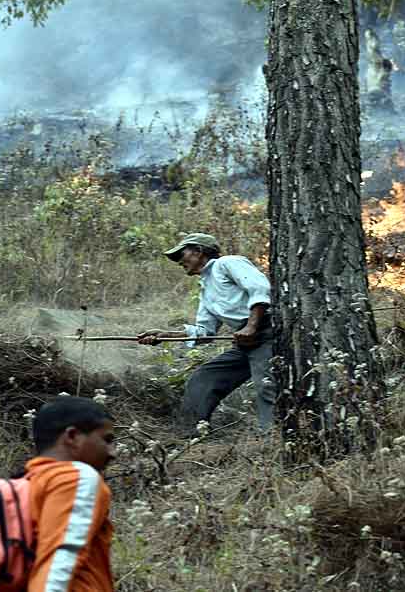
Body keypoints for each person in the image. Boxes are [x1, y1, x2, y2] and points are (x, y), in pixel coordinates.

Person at [138, 233, 276, 434]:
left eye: (181, 255)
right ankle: (191, 436)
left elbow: (260, 288)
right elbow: (205, 332)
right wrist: (165, 335)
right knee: (203, 378)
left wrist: (251, 326)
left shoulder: (227, 263)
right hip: (246, 341)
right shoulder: (206, 288)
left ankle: (272, 437)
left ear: (199, 251)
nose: (179, 262)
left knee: (266, 385)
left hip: (268, 331)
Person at [26, 396, 117, 592]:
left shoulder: (26, 482)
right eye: (107, 440)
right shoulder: (78, 478)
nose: (112, 453)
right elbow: (58, 562)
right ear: (72, 436)